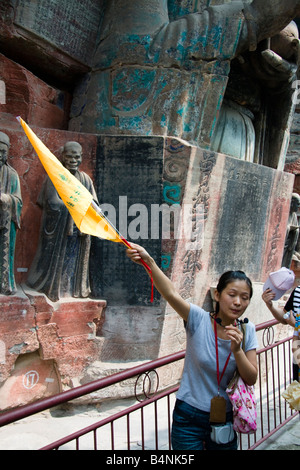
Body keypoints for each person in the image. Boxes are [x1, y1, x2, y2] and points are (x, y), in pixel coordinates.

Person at [126, 243, 258, 450]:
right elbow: (170, 294)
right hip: (189, 414)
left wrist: (238, 350)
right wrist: (148, 260)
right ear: (217, 295)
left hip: (224, 416)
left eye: (245, 297)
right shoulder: (198, 319)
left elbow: (251, 378)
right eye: (232, 294)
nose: (238, 302)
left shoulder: (248, 331)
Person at [27, 141, 98, 302]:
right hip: (59, 229)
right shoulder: (55, 177)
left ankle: (72, 289)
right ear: (63, 157)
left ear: (81, 158)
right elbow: (52, 203)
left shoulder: (85, 179)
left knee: (73, 263)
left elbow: (94, 204)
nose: (73, 160)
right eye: (69, 156)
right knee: (57, 261)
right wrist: (73, 208)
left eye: (76, 157)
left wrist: (84, 211)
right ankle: (51, 287)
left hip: (78, 232)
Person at [0, 131, 22, 295]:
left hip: (5, 222)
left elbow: (18, 201)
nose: (0, 155)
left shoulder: (12, 175)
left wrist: (6, 199)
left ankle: (4, 283)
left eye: (3, 152)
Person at [262, 286, 298, 380]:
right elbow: (285, 317)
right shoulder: (298, 291)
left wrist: (296, 325)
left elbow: (293, 322)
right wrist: (270, 305)